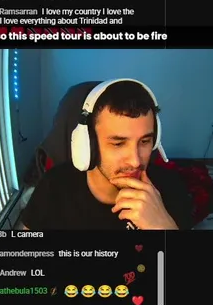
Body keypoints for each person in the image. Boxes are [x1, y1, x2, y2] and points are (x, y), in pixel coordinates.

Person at [21, 80, 192, 230]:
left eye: (145, 141)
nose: (135, 161)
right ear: (89, 144)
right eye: (118, 144)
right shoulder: (54, 186)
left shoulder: (171, 188)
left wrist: (163, 226)